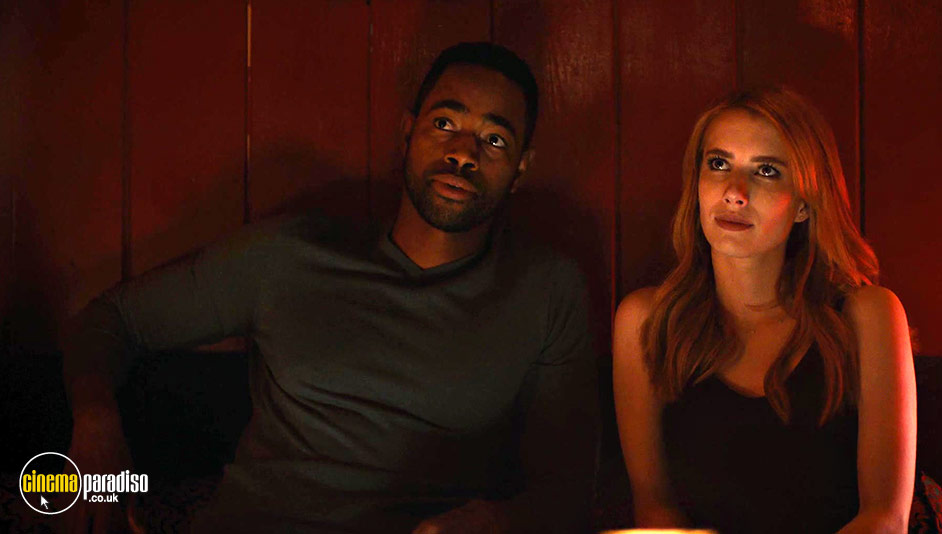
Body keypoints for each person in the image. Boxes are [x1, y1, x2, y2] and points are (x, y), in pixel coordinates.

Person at [62, 42, 598, 534]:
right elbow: (111, 320)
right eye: (444, 123)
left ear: (520, 168)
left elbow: (567, 492)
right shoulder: (289, 255)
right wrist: (95, 422)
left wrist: (498, 523)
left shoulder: (546, 291)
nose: (463, 153)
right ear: (407, 132)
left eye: (494, 139)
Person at [612, 87, 916, 534]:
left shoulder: (867, 315)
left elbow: (885, 518)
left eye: (767, 171)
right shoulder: (645, 321)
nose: (734, 193)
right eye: (719, 164)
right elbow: (655, 509)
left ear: (804, 204)